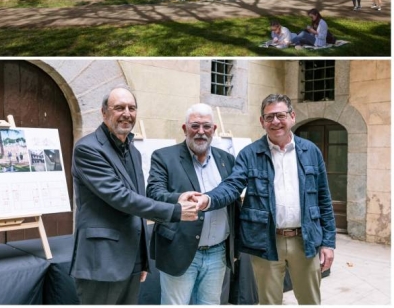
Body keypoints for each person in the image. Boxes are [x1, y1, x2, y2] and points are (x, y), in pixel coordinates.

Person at [195, 94, 336, 305]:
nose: (275, 122)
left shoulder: (311, 152)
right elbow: (232, 186)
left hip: (305, 239)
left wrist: (328, 243)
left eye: (280, 115)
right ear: (262, 122)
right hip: (265, 241)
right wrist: (208, 199)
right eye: (269, 117)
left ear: (292, 117)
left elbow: (324, 199)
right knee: (269, 302)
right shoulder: (250, 154)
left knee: (310, 301)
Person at [69, 87, 199, 305]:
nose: (127, 113)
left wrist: (176, 199)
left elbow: (139, 198)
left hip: (130, 260)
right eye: (119, 108)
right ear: (104, 113)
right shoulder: (88, 149)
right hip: (102, 261)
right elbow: (121, 198)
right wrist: (175, 212)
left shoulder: (133, 152)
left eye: (132, 108)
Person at [147, 104, 239, 305]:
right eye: (195, 126)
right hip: (179, 249)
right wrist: (178, 199)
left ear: (214, 130)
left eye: (206, 126)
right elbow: (154, 193)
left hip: (217, 252)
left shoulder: (228, 160)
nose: (201, 132)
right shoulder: (164, 157)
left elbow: (232, 196)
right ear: (184, 128)